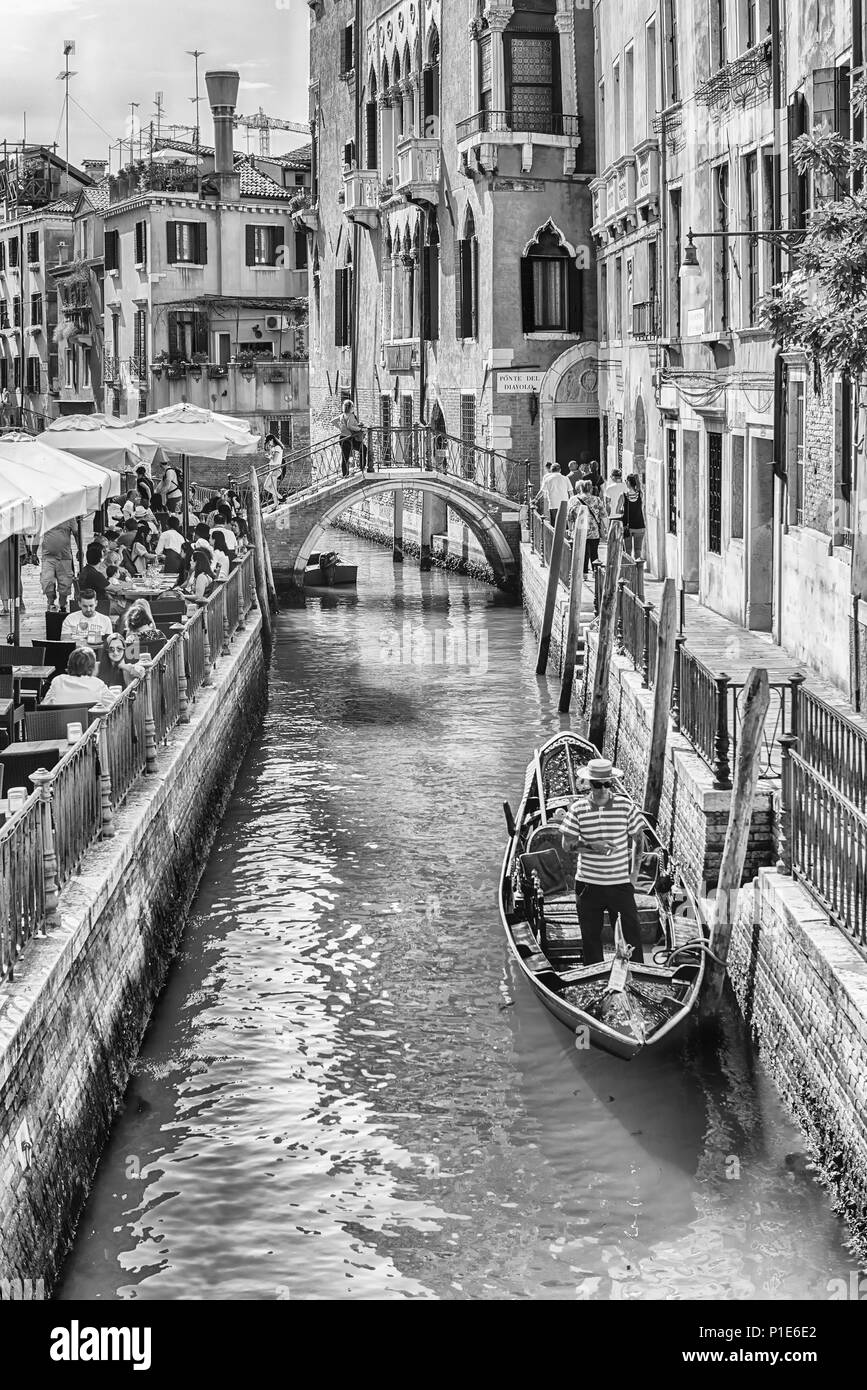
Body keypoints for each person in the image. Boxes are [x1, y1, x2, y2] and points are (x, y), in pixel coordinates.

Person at [560, 757, 645, 967]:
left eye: (607, 784)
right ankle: (595, 979)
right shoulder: (578, 809)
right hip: (588, 886)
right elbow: (566, 844)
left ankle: (636, 975)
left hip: (620, 884)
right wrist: (592, 846)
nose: (602, 789)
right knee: (590, 937)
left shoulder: (626, 806)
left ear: (612, 783)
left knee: (631, 935)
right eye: (598, 785)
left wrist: (633, 876)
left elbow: (639, 840)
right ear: (589, 784)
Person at [43, 645, 111, 707]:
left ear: (69, 664)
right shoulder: (98, 684)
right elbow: (116, 704)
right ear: (92, 667)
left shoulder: (58, 681)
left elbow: (44, 705)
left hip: (62, 719)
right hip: (88, 720)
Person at [569, 480, 606, 575]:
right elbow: (603, 515)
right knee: (594, 552)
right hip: (594, 531)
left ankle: (584, 573)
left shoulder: (574, 500)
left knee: (583, 553)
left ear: (581, 488)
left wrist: (570, 529)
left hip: (580, 530)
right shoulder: (596, 499)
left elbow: (569, 516)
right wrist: (606, 528)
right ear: (591, 489)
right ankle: (595, 572)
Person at [41, 519, 78, 611]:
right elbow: (38, 534)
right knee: (46, 580)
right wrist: (33, 552)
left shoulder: (70, 517)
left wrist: (80, 549)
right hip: (48, 556)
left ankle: (62, 604)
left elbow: (77, 533)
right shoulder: (45, 515)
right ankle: (50, 602)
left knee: (65, 583)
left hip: (64, 556)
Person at [333, 400, 367, 475]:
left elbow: (333, 421)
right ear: (350, 407)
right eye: (353, 406)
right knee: (363, 449)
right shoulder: (351, 415)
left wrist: (341, 428)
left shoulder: (342, 415)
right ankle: (362, 467)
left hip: (342, 437)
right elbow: (350, 426)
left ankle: (345, 474)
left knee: (345, 457)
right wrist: (360, 429)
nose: (353, 407)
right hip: (350, 438)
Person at [77, 542, 112, 614]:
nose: (104, 554)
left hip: (93, 602)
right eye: (103, 552)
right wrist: (129, 585)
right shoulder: (95, 574)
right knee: (128, 606)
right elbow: (113, 588)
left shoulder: (86, 570)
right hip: (101, 605)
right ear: (99, 557)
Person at [534, 462, 572, 527]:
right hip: (564, 503)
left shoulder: (548, 479)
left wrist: (535, 499)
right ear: (560, 470)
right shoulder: (565, 478)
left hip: (553, 504)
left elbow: (542, 492)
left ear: (551, 470)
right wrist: (571, 503)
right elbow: (571, 493)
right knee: (564, 525)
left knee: (554, 524)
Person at [619, 473, 646, 560]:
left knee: (628, 552)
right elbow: (641, 508)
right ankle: (639, 572)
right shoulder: (641, 494)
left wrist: (623, 510)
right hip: (640, 525)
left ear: (629, 483)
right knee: (638, 551)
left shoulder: (623, 495)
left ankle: (630, 572)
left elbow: (618, 510)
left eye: (626, 481)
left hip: (628, 526)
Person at [263, 433, 284, 505]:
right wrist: (270, 454)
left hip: (275, 469)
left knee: (266, 486)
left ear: (272, 440)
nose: (269, 444)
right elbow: (273, 458)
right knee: (273, 488)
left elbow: (274, 459)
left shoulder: (277, 447)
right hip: (273, 469)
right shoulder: (275, 448)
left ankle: (281, 497)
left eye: (269, 442)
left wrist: (269, 457)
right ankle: (276, 504)